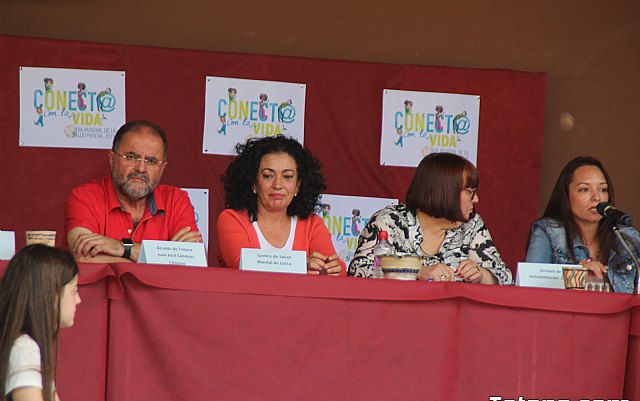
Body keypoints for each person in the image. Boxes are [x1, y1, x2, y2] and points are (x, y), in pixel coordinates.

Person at [348, 152, 512, 284]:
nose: (476, 199)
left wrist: (482, 275)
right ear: (445, 192)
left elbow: (506, 278)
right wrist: (416, 273)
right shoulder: (389, 221)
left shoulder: (472, 225)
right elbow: (358, 271)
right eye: (470, 192)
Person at [65, 120, 202, 263]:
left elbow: (193, 259)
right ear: (112, 159)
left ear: (162, 168)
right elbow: (82, 256)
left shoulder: (176, 200)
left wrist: (122, 248)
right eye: (131, 157)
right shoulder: (85, 197)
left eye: (151, 161)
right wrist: (165, 257)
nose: (141, 168)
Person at [217, 135, 345, 275]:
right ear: (254, 183)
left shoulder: (313, 225)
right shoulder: (231, 219)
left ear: (298, 186)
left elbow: (338, 270)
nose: (277, 185)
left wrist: (330, 268)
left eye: (287, 177)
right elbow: (243, 264)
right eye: (268, 176)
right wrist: (300, 266)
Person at [525, 156, 640, 293]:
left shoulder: (627, 237)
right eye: (584, 189)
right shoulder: (549, 232)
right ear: (566, 195)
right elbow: (530, 288)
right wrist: (575, 277)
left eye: (603, 189)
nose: (596, 197)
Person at [0, 244, 81, 401]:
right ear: (52, 295)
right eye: (74, 291)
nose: (78, 300)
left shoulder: (27, 346)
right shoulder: (23, 348)